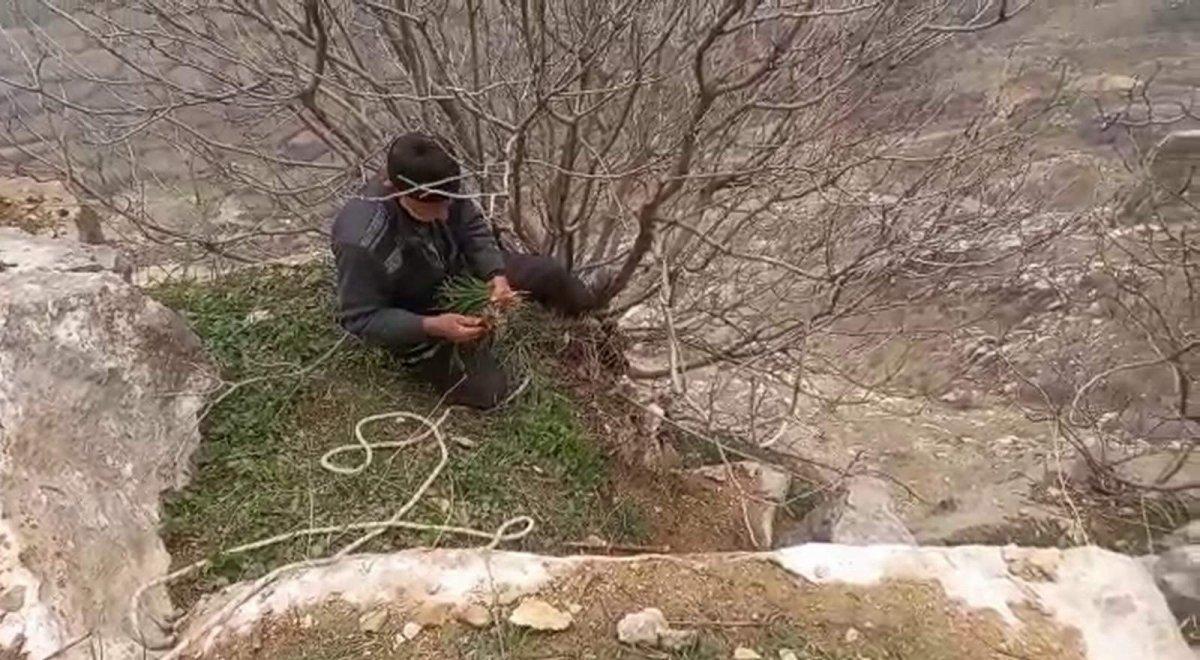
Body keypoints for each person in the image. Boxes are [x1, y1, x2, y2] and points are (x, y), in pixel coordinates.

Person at [331, 133, 599, 408]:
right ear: (397, 191)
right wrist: (432, 326)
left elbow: (471, 227)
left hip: (459, 268)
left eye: (449, 203)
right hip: (417, 309)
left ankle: (594, 324)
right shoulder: (361, 240)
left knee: (550, 274)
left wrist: (494, 273)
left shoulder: (438, 179)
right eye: (433, 209)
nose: (445, 215)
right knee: (487, 390)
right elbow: (361, 319)